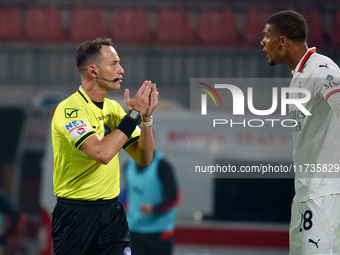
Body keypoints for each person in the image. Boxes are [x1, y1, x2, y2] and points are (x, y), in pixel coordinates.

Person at [51, 37, 158, 255]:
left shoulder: (115, 109)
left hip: (112, 213)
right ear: (93, 71)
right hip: (76, 215)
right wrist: (134, 115)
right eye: (114, 63)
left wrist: (145, 120)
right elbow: (102, 153)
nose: (122, 70)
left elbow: (144, 158)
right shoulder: (70, 110)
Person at [260, 10, 340, 254]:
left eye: (266, 36)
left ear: (282, 41)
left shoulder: (321, 70)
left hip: (324, 195)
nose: (262, 42)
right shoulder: (299, 76)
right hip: (309, 194)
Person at [122, 150, 180, 255]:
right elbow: (128, 195)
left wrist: (154, 208)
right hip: (134, 231)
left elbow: (174, 197)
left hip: (159, 232)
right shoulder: (128, 165)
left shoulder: (163, 166)